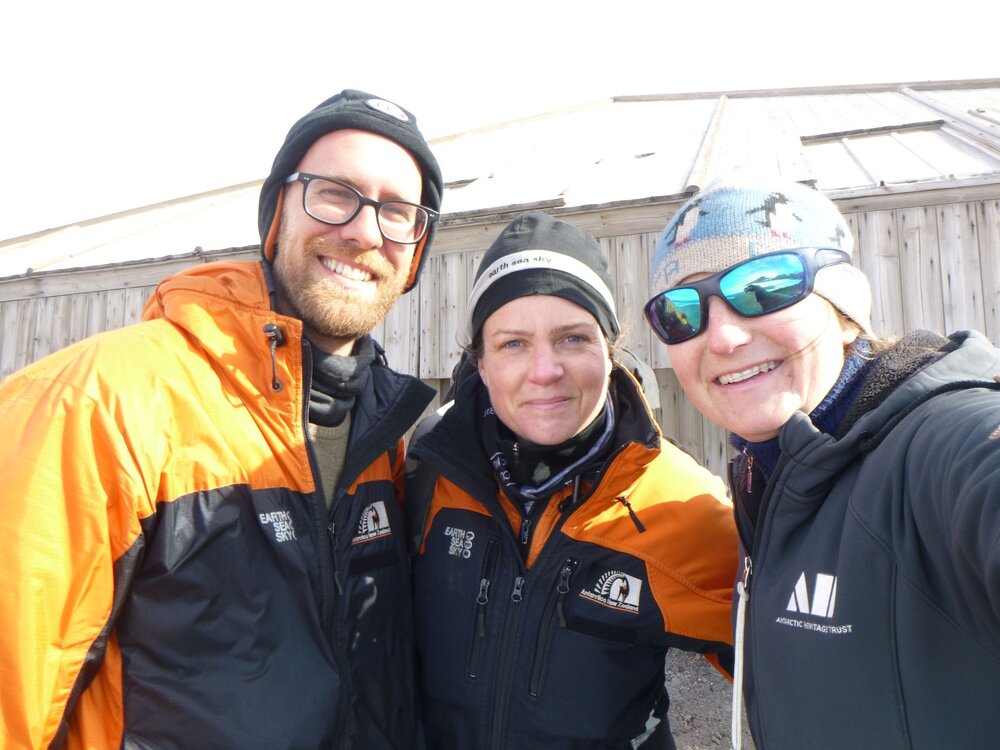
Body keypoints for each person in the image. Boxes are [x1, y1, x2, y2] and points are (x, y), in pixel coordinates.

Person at [0, 89, 443, 749]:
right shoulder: (97, 402)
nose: (363, 230)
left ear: (414, 254)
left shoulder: (385, 437)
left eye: (397, 212)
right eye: (334, 193)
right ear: (275, 215)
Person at [644, 172, 1000, 750]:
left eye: (764, 285)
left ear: (843, 309)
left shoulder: (940, 444)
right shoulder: (773, 479)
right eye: (682, 311)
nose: (724, 337)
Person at [406, 211, 739, 749]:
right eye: (513, 343)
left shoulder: (682, 504)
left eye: (573, 339)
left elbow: (805, 681)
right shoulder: (424, 475)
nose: (544, 370)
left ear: (610, 354)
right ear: (481, 364)